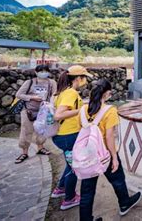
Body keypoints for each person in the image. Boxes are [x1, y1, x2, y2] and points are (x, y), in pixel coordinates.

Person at [79, 79, 142, 220]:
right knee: (118, 179)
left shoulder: (83, 110)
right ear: (107, 93)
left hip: (88, 155)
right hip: (104, 154)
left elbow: (81, 131)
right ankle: (124, 203)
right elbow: (109, 138)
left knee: (87, 191)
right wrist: (114, 158)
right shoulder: (110, 111)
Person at [51, 65, 92, 210]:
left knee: (69, 163)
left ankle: (60, 188)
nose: (86, 81)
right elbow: (59, 115)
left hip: (62, 135)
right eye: (84, 78)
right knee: (74, 167)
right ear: (78, 78)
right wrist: (81, 109)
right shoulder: (71, 93)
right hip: (69, 135)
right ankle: (69, 198)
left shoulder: (62, 92)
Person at [15, 64, 57, 164]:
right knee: (26, 131)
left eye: (45, 71)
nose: (43, 73)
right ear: (36, 72)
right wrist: (32, 97)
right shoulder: (29, 82)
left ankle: (40, 148)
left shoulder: (52, 83)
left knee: (42, 130)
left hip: (44, 111)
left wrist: (51, 106)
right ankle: (24, 152)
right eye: (41, 71)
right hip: (28, 111)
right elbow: (19, 95)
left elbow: (55, 95)